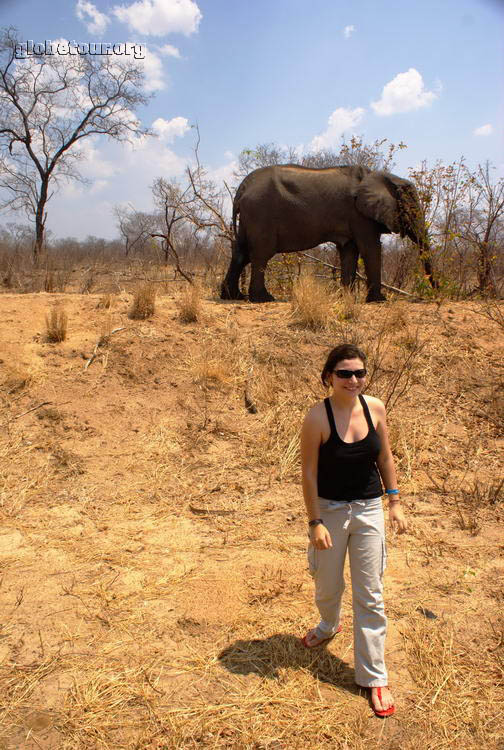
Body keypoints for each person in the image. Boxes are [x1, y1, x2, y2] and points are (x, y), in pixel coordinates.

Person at [300, 343, 407, 718]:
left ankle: (375, 676)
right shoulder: (317, 417)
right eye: (344, 373)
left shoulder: (374, 407)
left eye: (359, 373)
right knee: (327, 585)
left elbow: (385, 456)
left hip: (367, 511)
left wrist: (393, 502)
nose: (353, 380)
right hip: (329, 511)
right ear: (329, 376)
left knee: (370, 593)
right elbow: (309, 473)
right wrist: (314, 523)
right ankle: (329, 624)